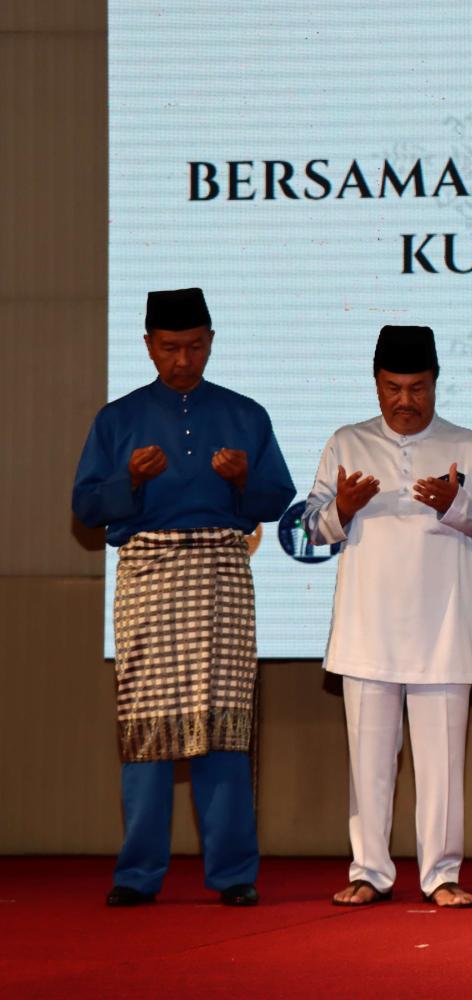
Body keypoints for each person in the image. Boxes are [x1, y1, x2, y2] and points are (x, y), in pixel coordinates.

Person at [72, 287, 295, 907]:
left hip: (221, 575)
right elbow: (86, 506)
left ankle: (233, 874)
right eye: (170, 347)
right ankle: (137, 875)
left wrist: (243, 480)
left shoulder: (245, 414)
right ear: (148, 345)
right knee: (147, 729)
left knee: (223, 727)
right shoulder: (117, 419)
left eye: (194, 346)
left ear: (211, 342)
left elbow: (277, 498)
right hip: (149, 577)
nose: (182, 359)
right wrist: (130, 480)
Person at [303, 325, 472, 908]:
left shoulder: (468, 445)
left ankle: (441, 874)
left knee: (442, 767)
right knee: (368, 766)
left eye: (418, 388)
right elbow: (312, 528)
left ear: (436, 383)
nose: (405, 400)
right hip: (366, 629)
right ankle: (369, 871)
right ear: (376, 384)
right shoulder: (346, 443)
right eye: (393, 388)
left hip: (443, 630)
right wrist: (342, 508)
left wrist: (456, 505)